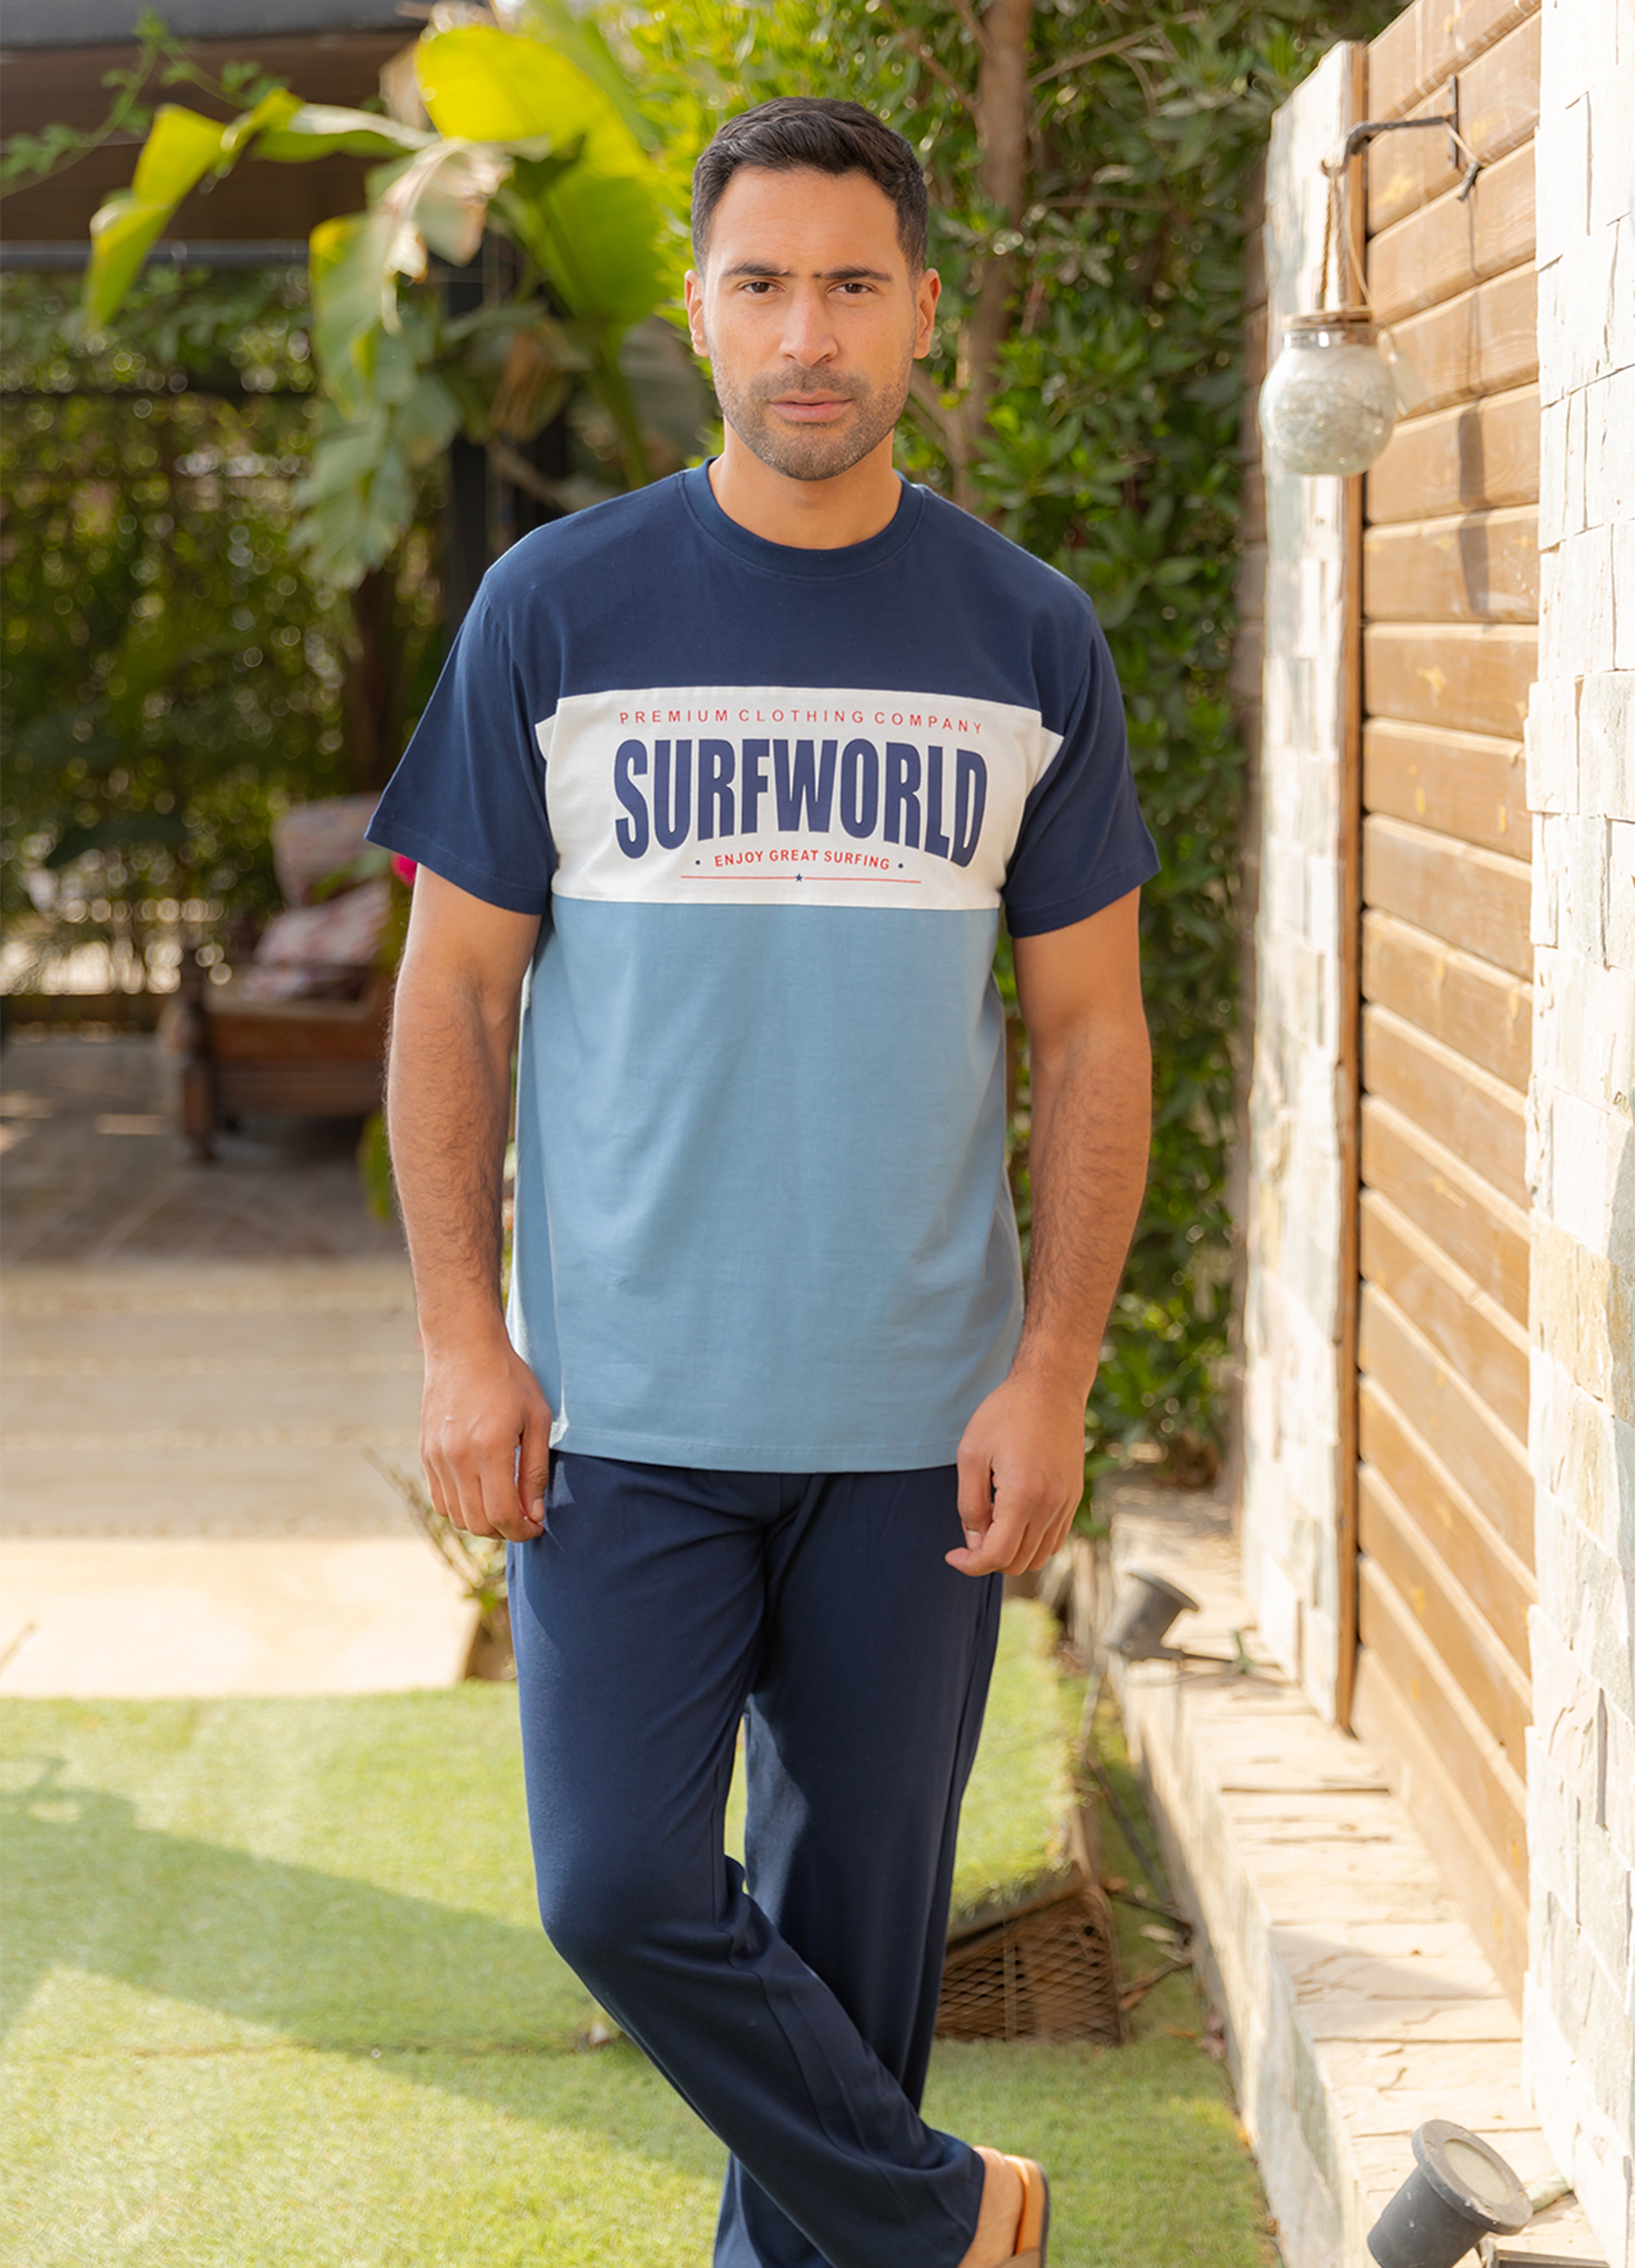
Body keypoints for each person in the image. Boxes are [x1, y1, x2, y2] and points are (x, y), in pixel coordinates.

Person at [368, 94, 1157, 2268]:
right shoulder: (557, 610)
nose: (807, 333)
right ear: (700, 312)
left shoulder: (1027, 637)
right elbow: (455, 993)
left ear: (922, 312)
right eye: (764, 284)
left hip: (918, 1427)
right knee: (616, 1885)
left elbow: (1093, 1035)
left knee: (853, 1973)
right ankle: (958, 2217)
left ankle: (891, 2226)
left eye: (851, 285)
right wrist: (459, 1337)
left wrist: (1054, 1375)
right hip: (622, 1415)